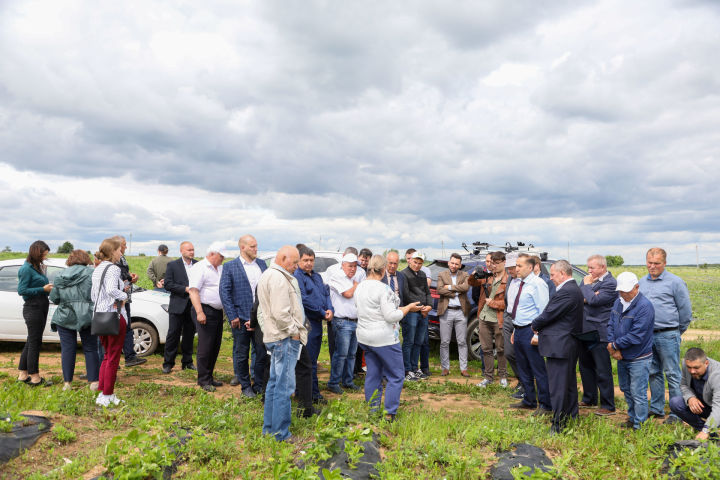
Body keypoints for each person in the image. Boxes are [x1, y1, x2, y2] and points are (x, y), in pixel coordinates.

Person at [355, 255, 421, 421]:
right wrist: (407, 309)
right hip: (383, 339)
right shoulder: (383, 289)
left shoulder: (360, 287)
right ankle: (389, 413)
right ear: (383, 270)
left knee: (373, 373)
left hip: (365, 337)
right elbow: (391, 316)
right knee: (396, 375)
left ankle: (373, 410)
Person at [257, 245, 307, 442]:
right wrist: (294, 332)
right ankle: (281, 434)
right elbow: (281, 314)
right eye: (294, 262)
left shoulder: (268, 275)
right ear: (283, 258)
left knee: (274, 384)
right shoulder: (278, 279)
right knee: (284, 387)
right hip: (283, 338)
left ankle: (269, 429)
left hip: (275, 337)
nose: (296, 266)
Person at [639, 247, 692, 423]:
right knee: (653, 372)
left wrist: (676, 331)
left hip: (668, 334)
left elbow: (685, 312)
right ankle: (657, 408)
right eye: (649, 263)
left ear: (664, 263)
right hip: (648, 336)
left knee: (673, 373)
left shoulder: (675, 282)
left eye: (656, 263)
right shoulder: (642, 283)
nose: (652, 266)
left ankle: (677, 412)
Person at [531, 260, 584, 433]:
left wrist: (535, 324)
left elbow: (548, 314)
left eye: (553, 274)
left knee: (558, 387)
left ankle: (558, 423)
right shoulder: (571, 289)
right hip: (564, 344)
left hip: (561, 345)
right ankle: (571, 416)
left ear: (562, 273)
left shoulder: (567, 292)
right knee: (567, 384)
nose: (551, 278)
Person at [220, 235, 267, 398]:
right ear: (243, 248)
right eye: (252, 246)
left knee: (261, 352)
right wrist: (232, 315)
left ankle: (259, 384)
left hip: (260, 318)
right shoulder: (230, 267)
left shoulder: (261, 264)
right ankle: (245, 387)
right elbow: (224, 292)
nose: (256, 249)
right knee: (242, 353)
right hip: (240, 318)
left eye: (256, 246)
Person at [607, 272, 655, 430]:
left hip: (638, 357)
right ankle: (632, 417)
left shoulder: (644, 306)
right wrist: (612, 343)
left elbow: (637, 335)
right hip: (622, 356)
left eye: (627, 291)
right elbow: (611, 325)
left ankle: (640, 424)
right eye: (621, 291)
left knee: (638, 392)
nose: (624, 294)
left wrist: (614, 346)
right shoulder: (618, 302)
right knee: (626, 389)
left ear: (637, 287)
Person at [50, 250, 99, 391]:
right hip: (87, 315)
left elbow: (54, 298)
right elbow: (96, 295)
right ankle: (94, 382)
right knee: (90, 348)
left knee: (67, 349)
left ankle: (67, 383)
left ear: (70, 259)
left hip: (65, 316)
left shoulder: (60, 275)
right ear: (86, 259)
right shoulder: (92, 274)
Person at [509, 254, 551, 413]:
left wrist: (538, 335)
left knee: (538, 368)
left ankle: (546, 404)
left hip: (531, 330)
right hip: (519, 330)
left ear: (530, 267)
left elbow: (543, 311)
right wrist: (515, 329)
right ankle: (529, 399)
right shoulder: (520, 283)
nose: (516, 268)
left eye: (519, 266)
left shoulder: (538, 284)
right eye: (516, 265)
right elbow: (520, 310)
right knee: (523, 367)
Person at [578, 254, 617, 416]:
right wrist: (589, 294)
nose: (589, 271)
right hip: (584, 329)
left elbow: (594, 301)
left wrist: (587, 291)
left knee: (602, 369)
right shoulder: (588, 280)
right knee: (585, 366)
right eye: (588, 267)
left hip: (599, 331)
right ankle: (589, 397)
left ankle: (608, 405)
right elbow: (580, 298)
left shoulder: (611, 283)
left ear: (602, 267)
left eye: (592, 268)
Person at [92, 237, 129, 406]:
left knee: (107, 355)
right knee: (113, 357)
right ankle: (108, 395)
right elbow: (112, 290)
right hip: (113, 315)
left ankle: (102, 392)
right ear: (113, 251)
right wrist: (125, 296)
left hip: (99, 316)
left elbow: (94, 295)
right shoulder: (113, 269)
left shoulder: (98, 269)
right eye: (119, 249)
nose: (121, 252)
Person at [294, 246, 334, 405]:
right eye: (305, 260)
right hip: (307, 323)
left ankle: (312, 392)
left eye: (311, 260)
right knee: (308, 361)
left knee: (313, 360)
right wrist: (321, 312)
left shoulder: (317, 277)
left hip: (317, 322)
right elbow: (304, 300)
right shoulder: (298, 277)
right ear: (298, 261)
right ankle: (309, 394)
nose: (309, 263)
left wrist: (330, 309)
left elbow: (326, 294)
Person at [188, 242, 226, 392]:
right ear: (212, 254)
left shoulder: (219, 268)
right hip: (204, 310)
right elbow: (193, 291)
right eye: (221, 256)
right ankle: (203, 380)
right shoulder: (200, 268)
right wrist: (199, 312)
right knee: (205, 346)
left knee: (215, 346)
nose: (222, 259)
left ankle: (209, 376)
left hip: (217, 311)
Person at [16, 240, 53, 386]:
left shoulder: (36, 267)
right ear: (37, 253)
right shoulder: (26, 269)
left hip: (41, 305)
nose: (45, 257)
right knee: (35, 342)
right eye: (44, 254)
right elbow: (22, 290)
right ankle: (35, 377)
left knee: (31, 340)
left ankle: (23, 374)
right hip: (33, 307)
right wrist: (42, 289)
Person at [472, 251, 509, 386]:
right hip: (484, 316)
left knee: (500, 349)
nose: (494, 266)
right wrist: (475, 274)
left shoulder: (508, 280)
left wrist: (493, 303)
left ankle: (503, 376)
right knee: (486, 348)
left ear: (504, 262)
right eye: (493, 263)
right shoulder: (488, 277)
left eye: (497, 263)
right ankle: (488, 377)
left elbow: (509, 303)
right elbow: (472, 283)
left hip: (498, 319)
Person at [327, 253, 362, 393]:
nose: (353, 269)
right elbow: (347, 294)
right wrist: (355, 286)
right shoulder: (336, 277)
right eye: (350, 266)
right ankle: (334, 382)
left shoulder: (355, 279)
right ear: (343, 265)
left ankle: (348, 381)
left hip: (354, 321)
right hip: (342, 322)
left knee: (351, 354)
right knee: (340, 354)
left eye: (354, 266)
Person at [162, 241, 197, 374]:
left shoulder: (198, 264)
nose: (191, 252)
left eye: (193, 250)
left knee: (189, 335)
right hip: (177, 305)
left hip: (192, 306)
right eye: (189, 250)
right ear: (181, 251)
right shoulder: (173, 265)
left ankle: (187, 362)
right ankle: (168, 363)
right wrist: (185, 289)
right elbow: (168, 284)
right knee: (173, 334)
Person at [670, 348, 720, 440]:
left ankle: (707, 430)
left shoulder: (717, 375)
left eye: (696, 368)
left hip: (717, 408)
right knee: (676, 403)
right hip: (705, 405)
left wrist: (706, 430)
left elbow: (718, 407)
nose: (692, 371)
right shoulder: (686, 364)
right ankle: (709, 433)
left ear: (706, 363)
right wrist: (690, 398)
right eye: (689, 367)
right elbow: (684, 385)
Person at [113, 236, 146, 368]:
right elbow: (115, 279)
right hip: (117, 300)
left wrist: (132, 278)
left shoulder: (122, 259)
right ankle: (114, 359)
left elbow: (124, 275)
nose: (126, 247)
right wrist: (127, 280)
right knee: (116, 329)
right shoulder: (112, 261)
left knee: (126, 328)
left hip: (125, 297)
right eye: (124, 245)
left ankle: (129, 356)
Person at [436, 253, 471, 377]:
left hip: (461, 311)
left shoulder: (465, 274)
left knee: (462, 341)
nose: (454, 265)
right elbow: (440, 289)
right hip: (447, 311)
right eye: (452, 263)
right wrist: (455, 292)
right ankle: (445, 368)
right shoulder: (442, 274)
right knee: (444, 341)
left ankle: (463, 368)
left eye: (457, 264)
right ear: (448, 263)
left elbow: (466, 287)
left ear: (460, 265)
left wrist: (450, 287)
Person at [400, 251, 433, 381]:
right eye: (415, 262)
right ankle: (406, 369)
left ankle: (415, 368)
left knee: (419, 342)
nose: (417, 265)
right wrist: (420, 306)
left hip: (423, 312)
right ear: (410, 261)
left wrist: (429, 306)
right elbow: (406, 294)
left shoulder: (423, 274)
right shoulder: (403, 274)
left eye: (420, 263)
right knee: (409, 341)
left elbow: (427, 292)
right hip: (411, 312)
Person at [503, 252, 523, 398]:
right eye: (507, 268)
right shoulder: (510, 279)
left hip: (520, 320)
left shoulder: (526, 281)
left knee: (521, 354)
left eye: (512, 267)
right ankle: (521, 380)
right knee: (509, 352)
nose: (509, 271)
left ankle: (525, 383)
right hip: (508, 318)